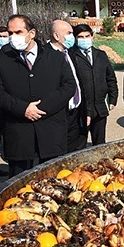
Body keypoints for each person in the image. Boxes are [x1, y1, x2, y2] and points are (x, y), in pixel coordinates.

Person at [0, 14, 76, 176]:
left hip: (50, 131)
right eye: (11, 33)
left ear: (32, 33)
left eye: (19, 32)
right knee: (19, 185)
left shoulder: (55, 57)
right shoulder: (2, 60)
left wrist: (42, 108)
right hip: (19, 133)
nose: (13, 37)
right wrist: (23, 109)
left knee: (53, 180)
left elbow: (69, 86)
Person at [71, 24, 118, 144]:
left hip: (100, 108)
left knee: (100, 142)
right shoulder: (71, 56)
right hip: (81, 109)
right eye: (80, 37)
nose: (84, 39)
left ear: (92, 36)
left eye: (87, 36)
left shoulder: (101, 55)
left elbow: (110, 78)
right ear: (75, 38)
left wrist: (113, 98)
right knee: (79, 144)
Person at [48, 19, 85, 152]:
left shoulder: (70, 53)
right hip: (57, 115)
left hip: (74, 114)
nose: (72, 36)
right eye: (69, 33)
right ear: (56, 36)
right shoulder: (45, 56)